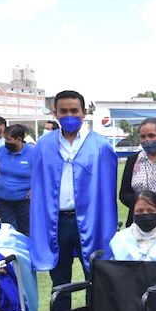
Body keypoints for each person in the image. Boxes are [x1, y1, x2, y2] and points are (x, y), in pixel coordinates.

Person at [30, 90, 117, 290]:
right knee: (60, 282)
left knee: (95, 278)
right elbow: (38, 188)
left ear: (84, 112)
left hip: (91, 220)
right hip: (57, 222)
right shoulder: (44, 145)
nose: (69, 116)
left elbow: (107, 193)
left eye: (74, 110)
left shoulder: (100, 147)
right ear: (55, 113)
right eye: (64, 111)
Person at [0, 125, 34, 236]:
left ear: (19, 139)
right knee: (7, 230)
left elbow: (41, 175)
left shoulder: (33, 153)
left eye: (8, 140)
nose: (6, 142)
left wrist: (34, 189)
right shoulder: (1, 151)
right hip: (3, 199)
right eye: (5, 139)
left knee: (25, 231)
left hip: (25, 201)